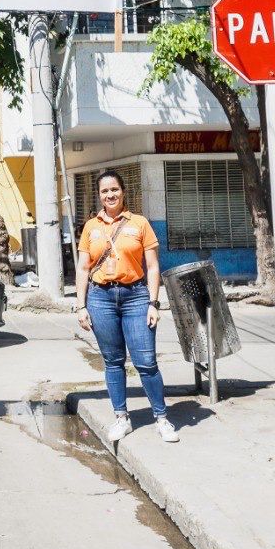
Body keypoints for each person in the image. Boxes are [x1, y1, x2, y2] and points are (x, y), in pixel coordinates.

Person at [74, 170, 178, 444]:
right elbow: (83, 268)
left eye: (114, 190)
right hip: (100, 298)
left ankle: (162, 418)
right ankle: (121, 417)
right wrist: (80, 305)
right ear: (99, 195)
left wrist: (154, 303)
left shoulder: (140, 223)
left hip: (135, 297)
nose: (110, 195)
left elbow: (153, 267)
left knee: (146, 362)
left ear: (123, 191)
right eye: (105, 191)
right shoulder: (90, 227)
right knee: (113, 361)